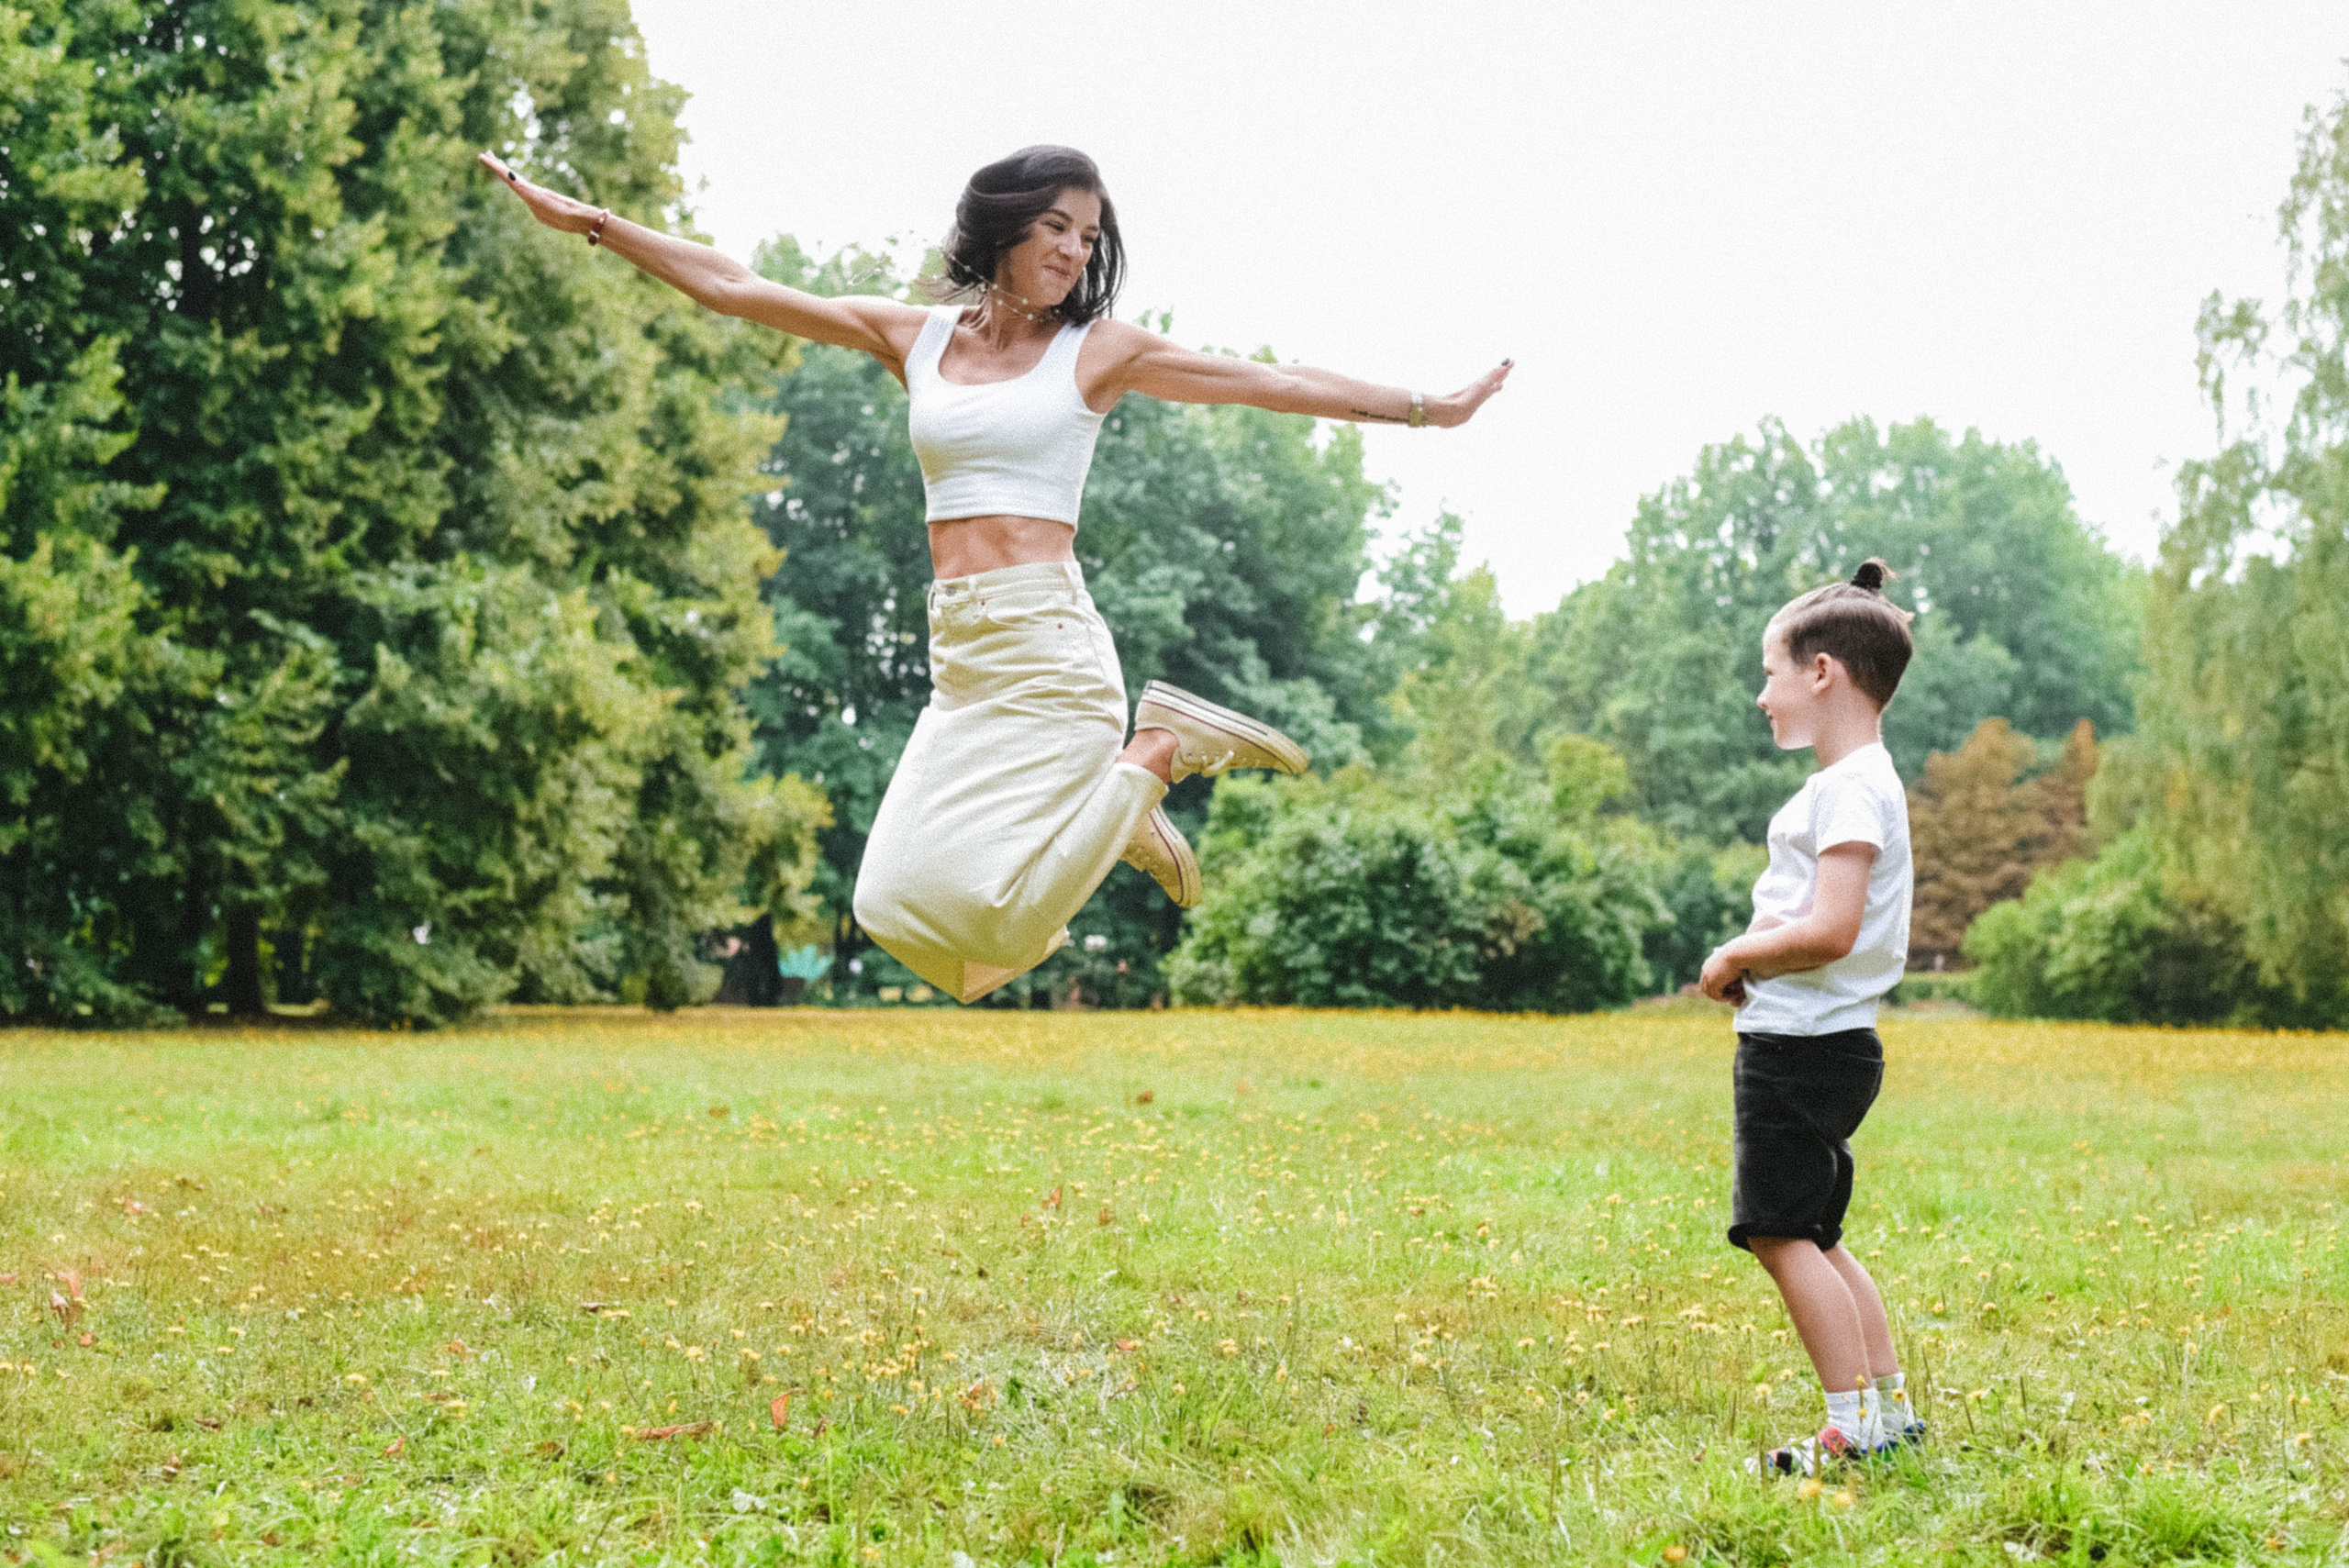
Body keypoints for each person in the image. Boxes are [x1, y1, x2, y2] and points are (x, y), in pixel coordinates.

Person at [479, 144, 1510, 1002]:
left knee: (1006, 929)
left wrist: (1429, 407)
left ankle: (1156, 747)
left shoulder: (1099, 352)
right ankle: (1117, 809)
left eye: (1090, 235)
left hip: (1049, 646)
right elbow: (740, 286)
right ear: (1007, 223)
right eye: (1058, 224)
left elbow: (1276, 384)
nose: (1074, 248)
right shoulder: (916, 340)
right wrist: (595, 224)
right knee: (906, 918)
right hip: (962, 661)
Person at [1698, 558, 1924, 1473]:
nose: (1763, 693)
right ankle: (1887, 1409)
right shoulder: (1861, 779)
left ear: (1820, 670)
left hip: (1799, 1046)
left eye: (1771, 670)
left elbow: (1830, 927)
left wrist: (1735, 955)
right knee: (1817, 1230)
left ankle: (1847, 1425)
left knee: (1779, 1231)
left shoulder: (1848, 787)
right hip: (1833, 1041)